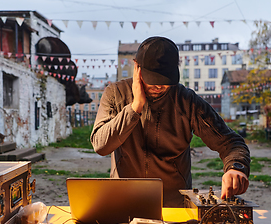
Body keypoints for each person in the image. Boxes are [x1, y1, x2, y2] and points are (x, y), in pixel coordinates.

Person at [90, 36, 250, 207]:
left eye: (165, 80)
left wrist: (236, 168)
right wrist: (135, 107)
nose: (159, 86)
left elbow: (231, 143)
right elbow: (101, 145)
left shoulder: (187, 101)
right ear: (137, 67)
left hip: (174, 206)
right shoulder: (115, 93)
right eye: (153, 79)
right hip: (124, 201)